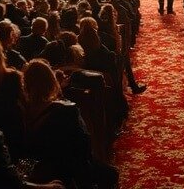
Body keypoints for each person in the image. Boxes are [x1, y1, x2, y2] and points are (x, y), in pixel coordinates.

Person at [23, 59, 118, 189]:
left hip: (37, 172)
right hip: (69, 172)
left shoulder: (21, 111)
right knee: (112, 174)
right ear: (51, 82)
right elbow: (84, 145)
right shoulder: (66, 110)